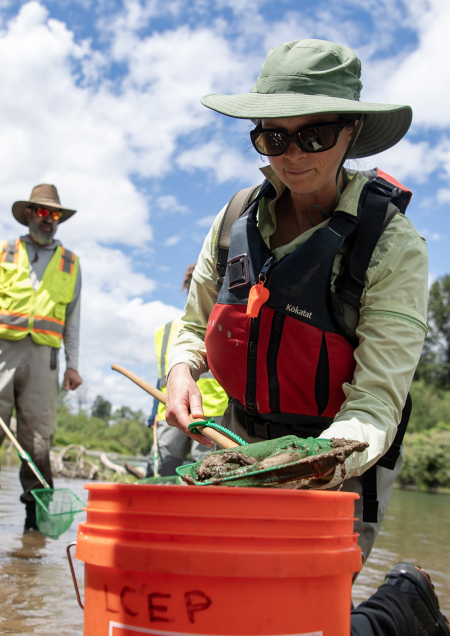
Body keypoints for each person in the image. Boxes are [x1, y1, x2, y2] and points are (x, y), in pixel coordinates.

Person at [167, 39, 427, 565]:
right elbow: (194, 325)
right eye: (273, 137)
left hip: (340, 463)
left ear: (351, 131)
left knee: (300, 608)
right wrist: (179, 370)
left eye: (316, 135)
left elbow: (376, 404)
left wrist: (299, 465)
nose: (292, 155)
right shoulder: (235, 217)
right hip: (234, 445)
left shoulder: (393, 245)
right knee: (218, 587)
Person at [0, 184, 82, 532]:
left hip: (44, 361)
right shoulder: (4, 251)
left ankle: (34, 528)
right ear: (29, 214)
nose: (48, 219)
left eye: (54, 214)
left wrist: (72, 365)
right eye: (42, 212)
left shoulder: (71, 263)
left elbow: (73, 319)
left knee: (39, 443)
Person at [145, 265, 228, 477]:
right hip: (171, 411)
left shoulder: (222, 326)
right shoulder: (164, 331)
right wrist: (155, 413)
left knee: (204, 474)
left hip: (211, 414)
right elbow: (162, 379)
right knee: (162, 472)